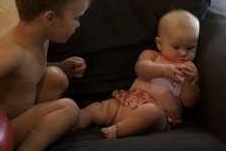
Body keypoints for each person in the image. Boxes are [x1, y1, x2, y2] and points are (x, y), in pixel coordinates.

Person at [0, 0, 92, 151]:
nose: (78, 25)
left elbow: (29, 73)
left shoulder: (39, 40)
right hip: (4, 126)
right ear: (50, 18)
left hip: (25, 113)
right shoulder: (13, 51)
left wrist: (61, 66)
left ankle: (47, 126)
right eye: (76, 18)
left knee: (56, 76)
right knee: (69, 109)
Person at [79, 10, 200, 139]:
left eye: (190, 48)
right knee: (97, 108)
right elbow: (141, 69)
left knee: (150, 111)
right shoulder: (152, 55)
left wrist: (190, 83)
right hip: (127, 103)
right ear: (159, 43)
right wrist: (163, 70)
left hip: (159, 115)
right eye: (176, 47)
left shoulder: (190, 70)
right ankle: (76, 120)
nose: (183, 53)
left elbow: (188, 102)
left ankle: (118, 130)